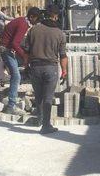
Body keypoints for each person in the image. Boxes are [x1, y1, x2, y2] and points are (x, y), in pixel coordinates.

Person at [22, 7, 68, 135]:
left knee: (39, 96)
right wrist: (64, 71)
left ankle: (40, 120)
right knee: (48, 97)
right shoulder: (59, 33)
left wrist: (26, 67)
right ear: (55, 17)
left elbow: (26, 52)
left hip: (35, 67)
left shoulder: (33, 30)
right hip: (50, 68)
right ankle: (46, 125)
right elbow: (63, 55)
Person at [0, 7, 31, 115]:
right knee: (16, 76)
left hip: (7, 49)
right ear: (32, 17)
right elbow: (15, 43)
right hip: (6, 50)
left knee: (16, 74)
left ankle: (10, 98)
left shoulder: (21, 20)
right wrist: (24, 56)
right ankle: (11, 105)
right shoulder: (23, 24)